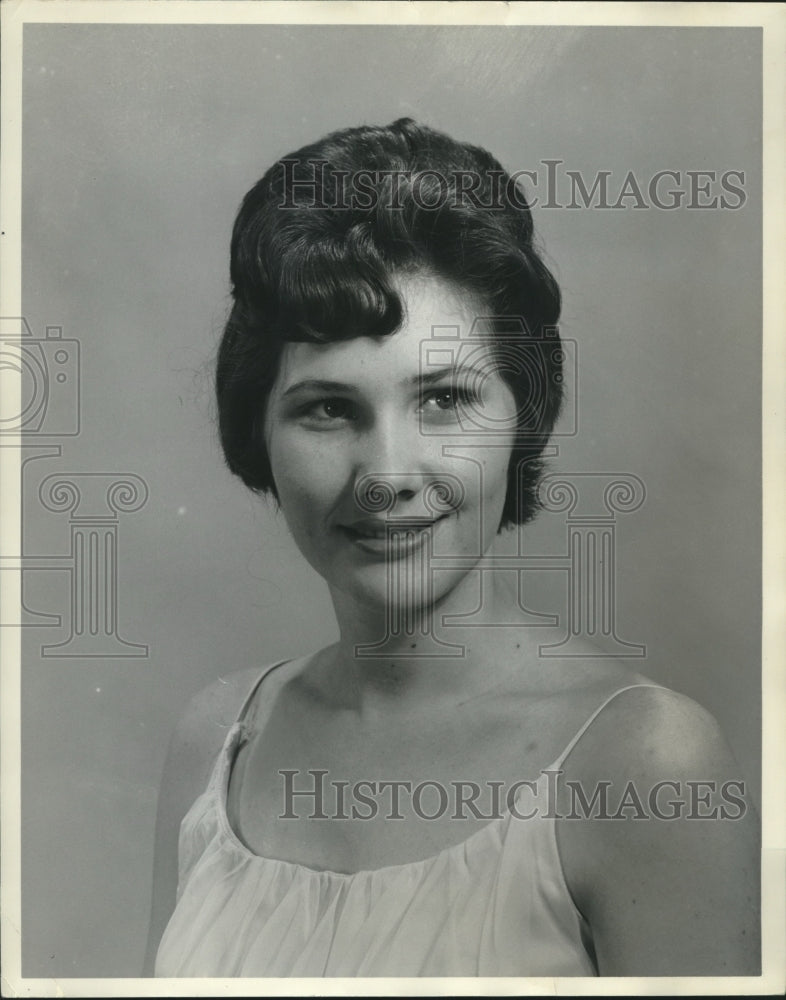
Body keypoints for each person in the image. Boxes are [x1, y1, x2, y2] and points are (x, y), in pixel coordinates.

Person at [146, 118, 759, 977]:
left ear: (521, 418)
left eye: (443, 399)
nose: (387, 473)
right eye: (328, 408)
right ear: (259, 431)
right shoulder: (216, 738)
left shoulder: (648, 760)